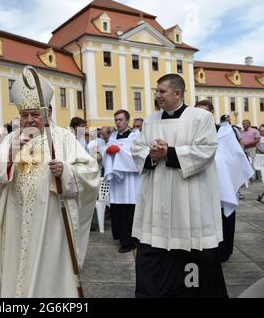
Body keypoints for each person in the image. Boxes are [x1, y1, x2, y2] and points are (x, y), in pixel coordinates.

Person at [0, 67, 100, 298]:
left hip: (52, 220)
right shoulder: (11, 140)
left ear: (47, 113)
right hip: (16, 219)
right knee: (19, 268)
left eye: (34, 114)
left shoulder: (63, 137)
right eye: (24, 114)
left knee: (49, 273)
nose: (29, 119)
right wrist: (10, 155)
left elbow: (90, 170)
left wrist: (66, 172)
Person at [131, 74, 228, 298]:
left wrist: (170, 152)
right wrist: (153, 155)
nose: (157, 96)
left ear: (177, 93)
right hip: (157, 198)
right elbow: (137, 149)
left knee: (192, 259)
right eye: (156, 91)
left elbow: (206, 151)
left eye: (161, 91)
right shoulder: (150, 120)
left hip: (190, 198)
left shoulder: (201, 117)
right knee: (153, 250)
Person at [195, 100, 253, 262]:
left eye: (204, 112)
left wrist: (218, 163)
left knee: (224, 215)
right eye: (197, 113)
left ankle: (224, 250)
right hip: (202, 180)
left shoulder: (225, 132)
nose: (200, 116)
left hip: (223, 181)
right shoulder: (193, 132)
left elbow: (235, 156)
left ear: (211, 113)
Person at [103, 110, 141, 253]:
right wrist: (110, 150)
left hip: (130, 181)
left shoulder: (135, 136)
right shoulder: (113, 136)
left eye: (120, 120)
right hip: (117, 182)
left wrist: (119, 150)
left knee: (130, 211)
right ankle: (121, 238)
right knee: (118, 210)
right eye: (116, 120)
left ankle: (130, 241)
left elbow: (135, 154)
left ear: (127, 121)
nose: (118, 123)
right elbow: (107, 152)